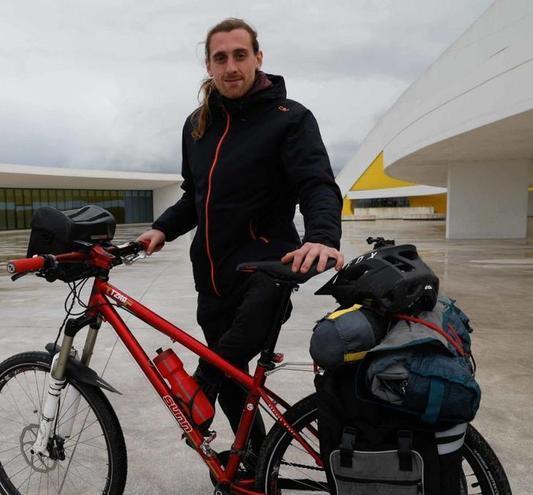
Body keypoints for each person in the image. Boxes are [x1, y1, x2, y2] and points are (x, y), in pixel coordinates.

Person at [136, 18, 345, 465]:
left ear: (258, 58)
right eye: (220, 57)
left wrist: (323, 236)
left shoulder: (290, 118)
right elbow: (195, 196)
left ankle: (196, 393)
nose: (231, 66)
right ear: (208, 65)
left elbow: (317, 184)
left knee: (220, 364)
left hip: (266, 271)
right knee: (235, 380)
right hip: (212, 276)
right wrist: (161, 228)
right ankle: (252, 457)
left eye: (240, 55)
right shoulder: (198, 124)